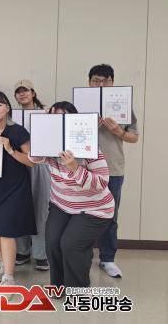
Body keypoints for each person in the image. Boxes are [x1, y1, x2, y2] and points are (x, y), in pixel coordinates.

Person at [30, 101, 113, 289]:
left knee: (70, 245)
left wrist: (75, 168)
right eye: (56, 117)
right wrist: (43, 128)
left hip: (95, 209)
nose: (60, 121)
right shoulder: (50, 147)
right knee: (52, 243)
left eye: (65, 117)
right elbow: (33, 158)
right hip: (62, 205)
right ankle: (58, 285)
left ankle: (77, 288)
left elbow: (101, 183)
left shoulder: (89, 148)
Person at [0, 92, 36, 288]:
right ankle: (4, 264)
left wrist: (10, 149)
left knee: (6, 231)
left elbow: (31, 162)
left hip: (14, 188)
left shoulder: (18, 131)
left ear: (7, 108)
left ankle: (9, 277)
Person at [88, 64, 139, 278]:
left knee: (110, 215)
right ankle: (82, 256)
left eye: (105, 81)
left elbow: (134, 137)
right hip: (84, 169)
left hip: (113, 169)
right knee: (82, 215)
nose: (101, 84)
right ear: (89, 82)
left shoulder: (123, 105)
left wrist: (118, 131)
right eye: (96, 80)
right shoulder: (81, 104)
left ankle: (107, 259)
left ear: (112, 82)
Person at [12, 79, 51, 271]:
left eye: (25, 90)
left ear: (33, 93)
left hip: (41, 164)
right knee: (19, 206)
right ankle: (22, 250)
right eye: (18, 91)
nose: (22, 94)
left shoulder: (47, 112)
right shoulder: (11, 115)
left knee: (41, 208)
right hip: (18, 163)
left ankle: (40, 254)